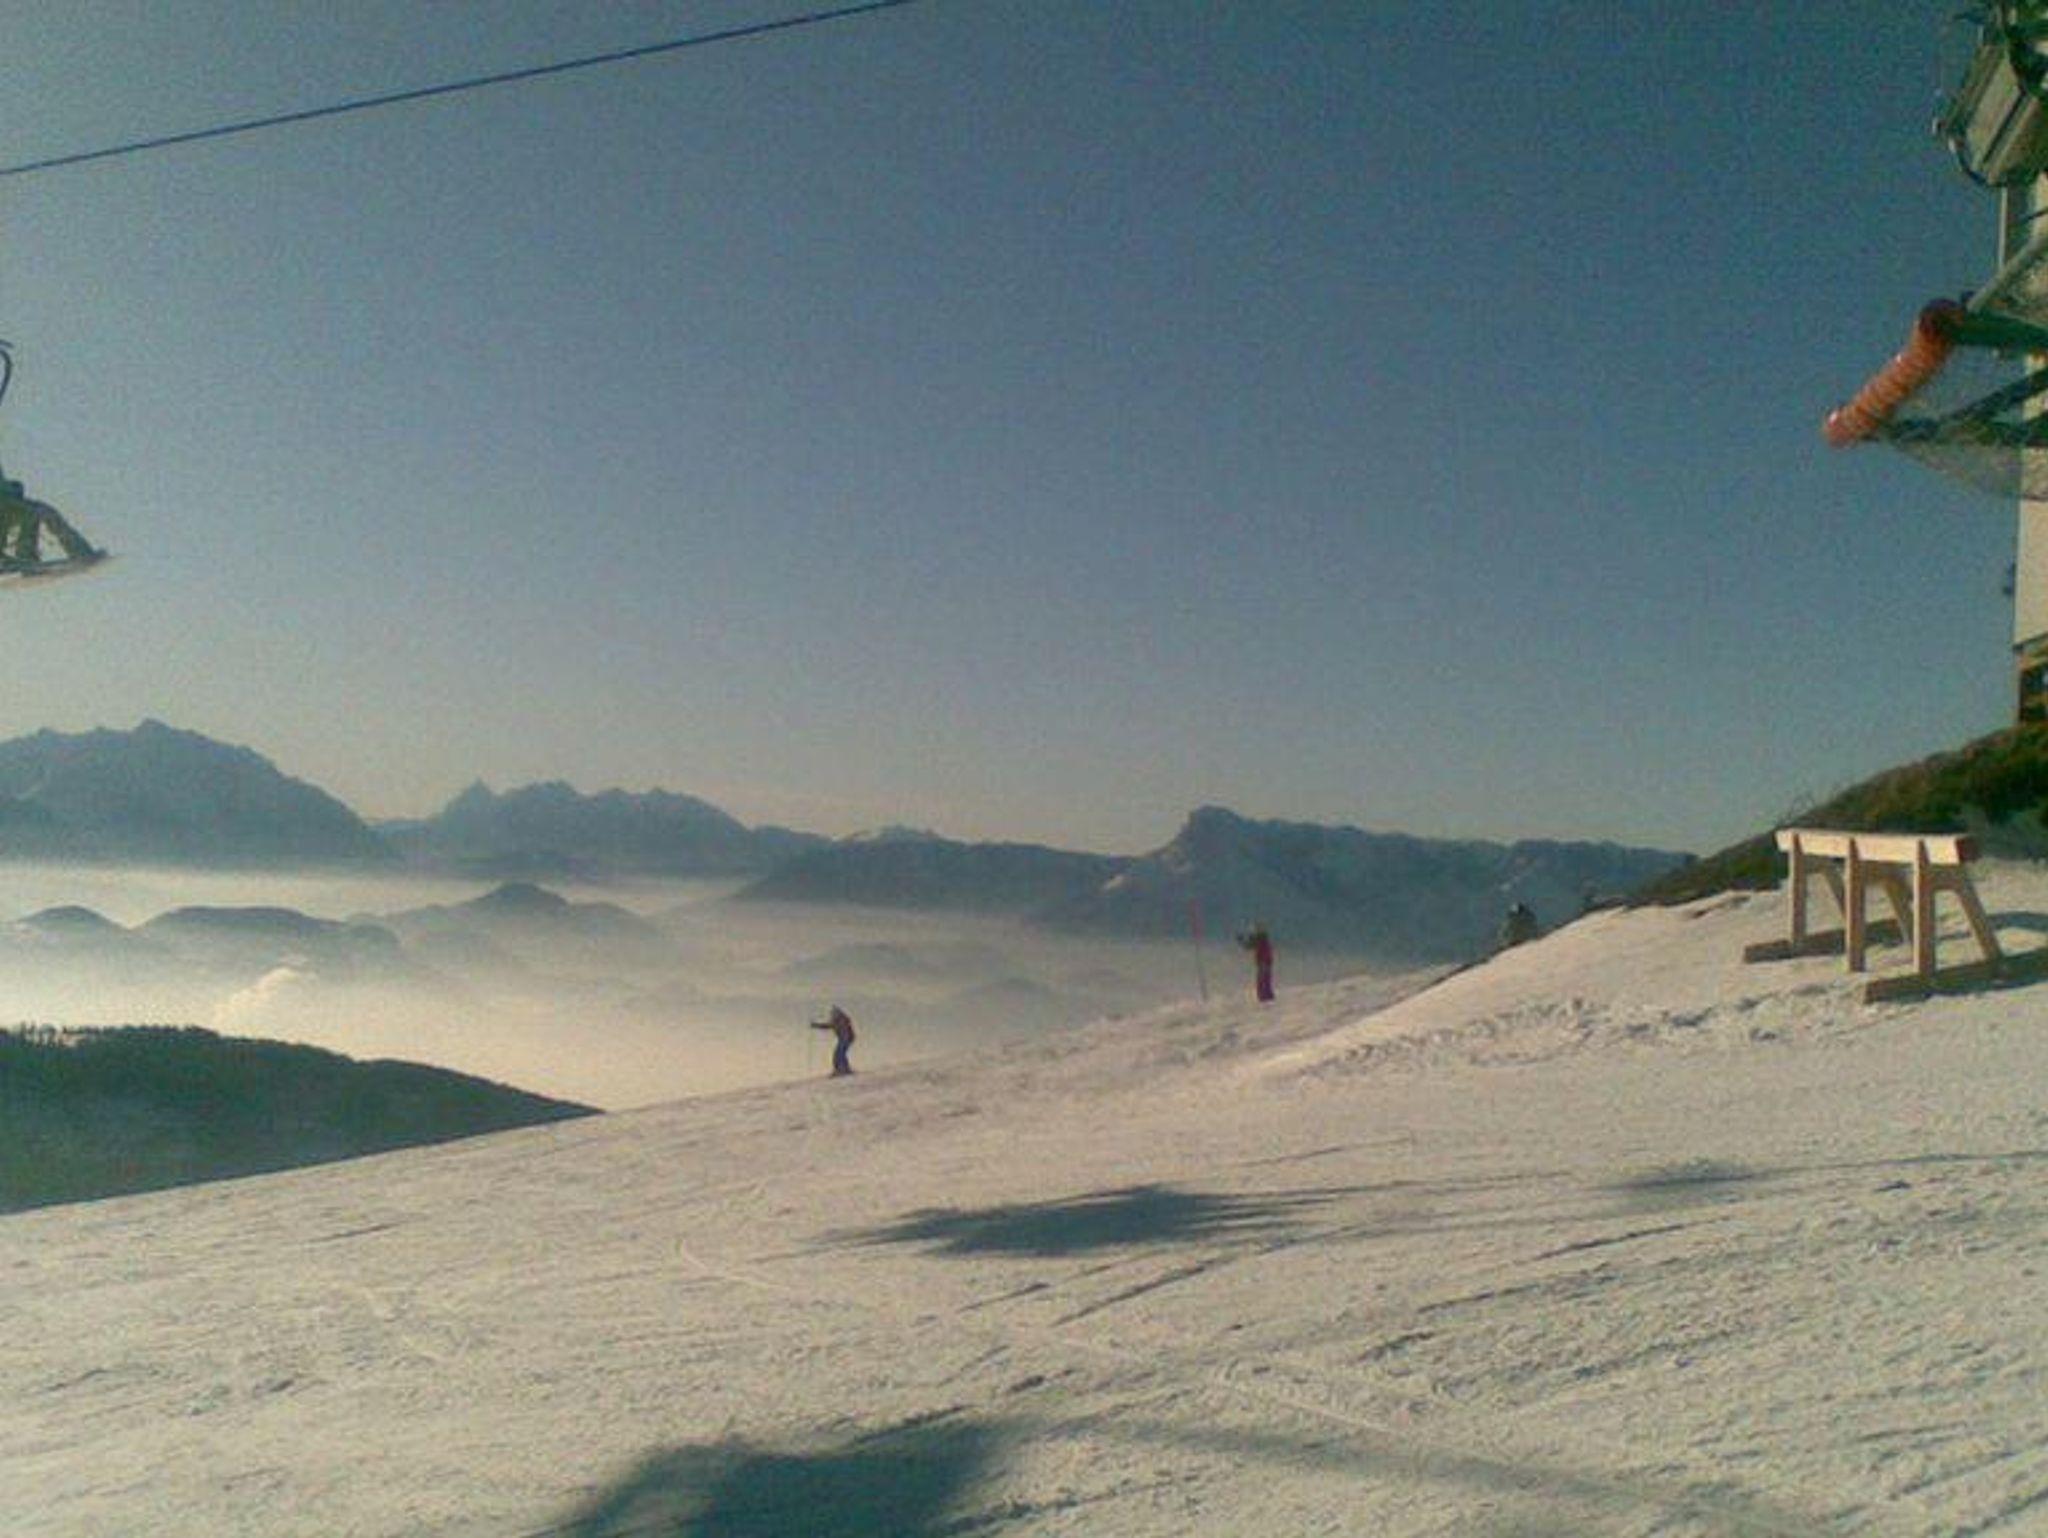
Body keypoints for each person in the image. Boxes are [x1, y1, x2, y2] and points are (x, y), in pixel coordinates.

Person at [0, 467, 103, 571]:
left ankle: (79, 550)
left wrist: (13, 490)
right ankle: (23, 556)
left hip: (7, 502)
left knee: (41, 511)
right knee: (30, 513)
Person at [811, 1005, 856, 1077]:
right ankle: (844, 1069)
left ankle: (840, 1070)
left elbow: (843, 1030)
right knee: (840, 1054)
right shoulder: (838, 1020)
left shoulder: (840, 1020)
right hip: (846, 1038)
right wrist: (816, 1025)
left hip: (845, 1039)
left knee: (838, 1054)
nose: (831, 1015)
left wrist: (816, 1025)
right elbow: (827, 1026)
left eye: (833, 1013)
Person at [1236, 923, 1275, 1004]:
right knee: (1265, 981)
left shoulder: (1261, 939)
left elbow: (1249, 945)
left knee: (1262, 981)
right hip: (1265, 963)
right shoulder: (1262, 939)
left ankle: (1265, 998)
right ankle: (1267, 998)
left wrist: (1241, 940)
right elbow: (1250, 945)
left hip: (1263, 963)